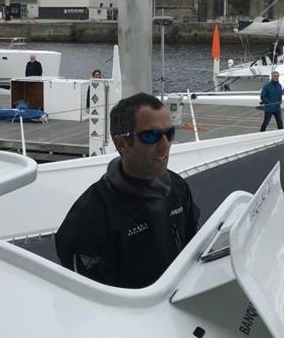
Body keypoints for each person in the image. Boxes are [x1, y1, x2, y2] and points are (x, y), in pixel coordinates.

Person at [55, 92, 200, 289]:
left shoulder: (178, 189)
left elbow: (194, 251)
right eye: (151, 136)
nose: (165, 145)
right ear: (121, 143)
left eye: (169, 133)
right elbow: (92, 300)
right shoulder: (89, 220)